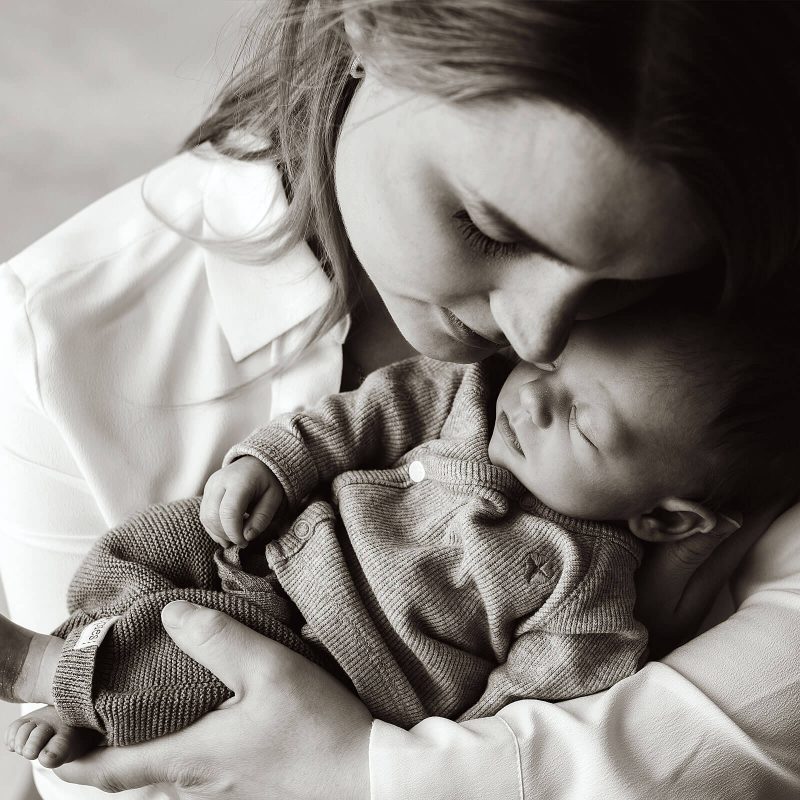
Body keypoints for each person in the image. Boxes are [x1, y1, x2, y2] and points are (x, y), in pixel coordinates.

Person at [1, 2, 799, 799]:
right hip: (254, 565)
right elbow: (102, 785)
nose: (534, 336)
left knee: (185, 665)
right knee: (157, 563)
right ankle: (62, 668)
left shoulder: (736, 345)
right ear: (366, 32)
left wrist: (386, 771)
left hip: (356, 659)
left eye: (624, 287)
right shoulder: (56, 334)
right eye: (491, 230)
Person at [3, 302, 795, 766]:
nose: (536, 401)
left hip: (328, 666)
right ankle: (86, 660)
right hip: (277, 544)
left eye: (582, 422)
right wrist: (269, 468)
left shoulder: (582, 584)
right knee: (157, 538)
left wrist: (416, 754)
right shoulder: (468, 396)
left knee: (192, 671)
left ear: (663, 518)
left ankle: (46, 669)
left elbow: (526, 709)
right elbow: (358, 419)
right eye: (551, 368)